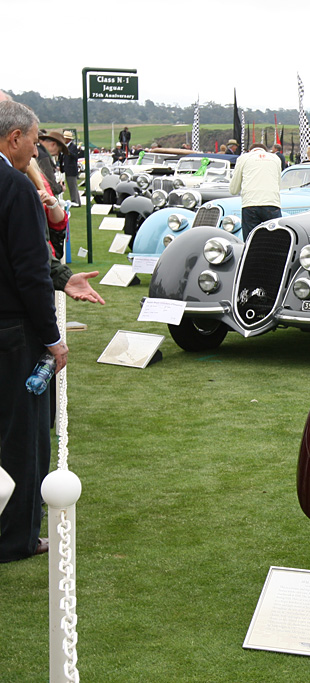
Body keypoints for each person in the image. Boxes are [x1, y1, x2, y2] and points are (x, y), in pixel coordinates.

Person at [0, 100, 105, 564]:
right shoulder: (15, 188)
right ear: (15, 138)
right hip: (13, 332)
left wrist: (63, 277)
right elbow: (28, 271)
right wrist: (52, 338)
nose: (36, 152)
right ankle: (15, 537)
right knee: (21, 440)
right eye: (34, 140)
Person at [228, 143, 282, 239]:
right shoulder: (275, 158)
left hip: (250, 204)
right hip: (272, 203)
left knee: (251, 240)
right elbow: (278, 184)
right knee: (274, 240)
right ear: (265, 150)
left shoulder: (243, 158)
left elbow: (233, 189)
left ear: (250, 150)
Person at [36, 129, 65, 196]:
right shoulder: (43, 156)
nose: (57, 154)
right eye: (59, 151)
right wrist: (61, 188)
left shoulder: (37, 150)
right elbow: (52, 185)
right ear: (53, 144)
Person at [58, 130, 83, 206]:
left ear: (68, 139)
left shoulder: (73, 147)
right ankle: (76, 201)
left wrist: (67, 151)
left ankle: (75, 201)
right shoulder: (64, 147)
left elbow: (75, 156)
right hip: (65, 168)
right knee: (70, 186)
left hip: (71, 169)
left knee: (73, 186)